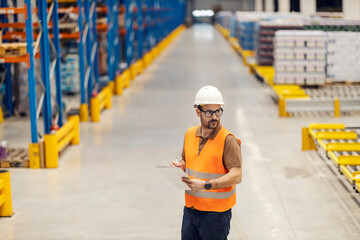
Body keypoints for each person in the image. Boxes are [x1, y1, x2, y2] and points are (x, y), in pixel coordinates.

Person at [171, 85, 242, 240]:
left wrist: (205, 185)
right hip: (191, 209)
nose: (215, 117)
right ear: (198, 112)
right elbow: (186, 160)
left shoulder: (228, 140)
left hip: (215, 215)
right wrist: (180, 165)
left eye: (218, 111)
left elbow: (237, 175)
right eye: (209, 112)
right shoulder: (190, 134)